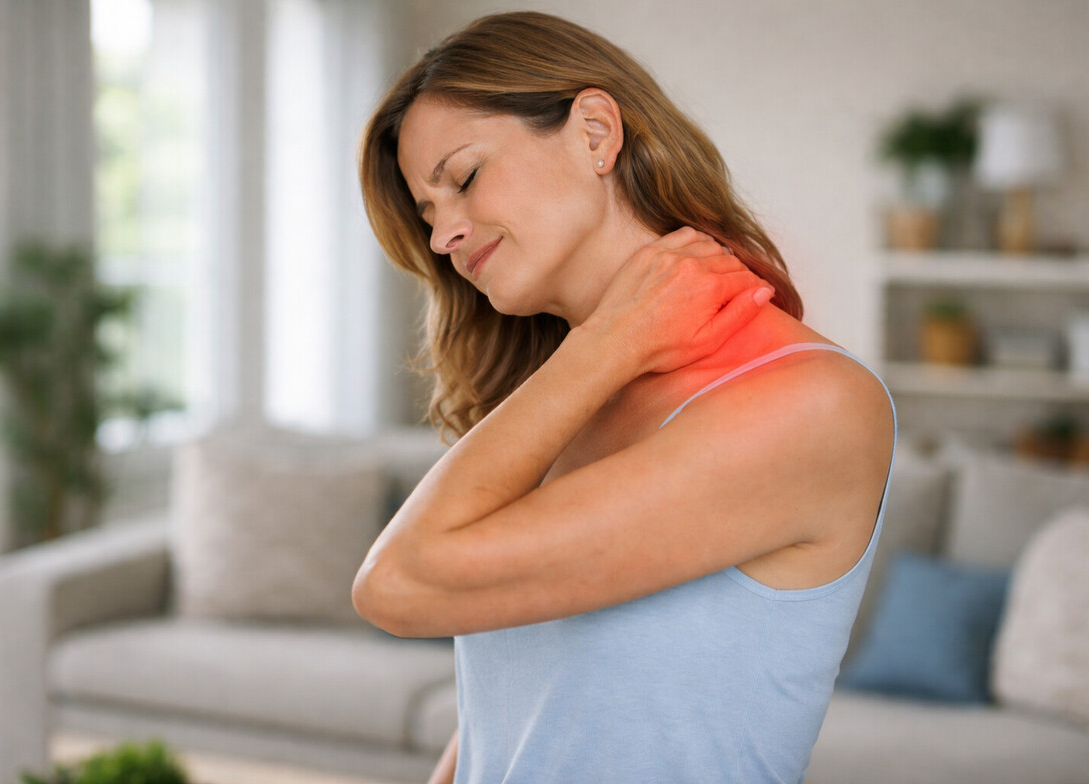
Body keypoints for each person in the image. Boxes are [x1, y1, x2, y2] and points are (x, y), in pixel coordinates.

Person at [353, 11, 895, 784]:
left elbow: (397, 585)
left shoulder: (813, 402)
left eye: (464, 179)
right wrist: (606, 351)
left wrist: (608, 343)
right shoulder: (569, 397)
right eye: (428, 213)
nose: (443, 237)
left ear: (596, 133)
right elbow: (511, 715)